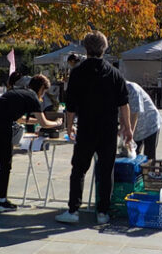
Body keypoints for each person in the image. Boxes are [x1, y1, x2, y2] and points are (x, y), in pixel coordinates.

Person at [56, 31, 133, 225]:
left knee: (79, 169)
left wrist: (69, 126)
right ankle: (103, 213)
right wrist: (128, 129)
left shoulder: (77, 73)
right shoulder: (114, 73)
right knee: (106, 171)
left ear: (85, 48)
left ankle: (73, 210)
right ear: (105, 48)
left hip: (86, 128)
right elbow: (124, 104)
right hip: (108, 129)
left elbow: (70, 105)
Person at [0, 74, 61, 212]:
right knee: (5, 163)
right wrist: (57, 123)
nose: (43, 94)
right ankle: (1, 201)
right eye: (44, 91)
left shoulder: (18, 92)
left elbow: (19, 119)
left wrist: (35, 121)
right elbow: (44, 122)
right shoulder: (33, 98)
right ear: (42, 88)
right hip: (2, 126)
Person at [126, 81, 162, 162]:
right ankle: (136, 173)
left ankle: (149, 173)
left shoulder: (132, 89)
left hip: (150, 124)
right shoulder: (114, 92)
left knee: (149, 156)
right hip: (137, 128)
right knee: (132, 154)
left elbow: (135, 113)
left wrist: (130, 131)